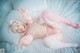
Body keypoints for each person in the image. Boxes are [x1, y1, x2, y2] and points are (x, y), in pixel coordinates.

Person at [10, 8, 80, 49]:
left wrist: (26, 15)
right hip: (55, 36)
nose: (20, 29)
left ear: (22, 23)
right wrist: (27, 40)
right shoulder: (27, 34)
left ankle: (68, 23)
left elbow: (30, 20)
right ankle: (72, 45)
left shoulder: (30, 23)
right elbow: (29, 38)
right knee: (46, 42)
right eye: (17, 30)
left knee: (44, 14)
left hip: (54, 26)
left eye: (18, 25)